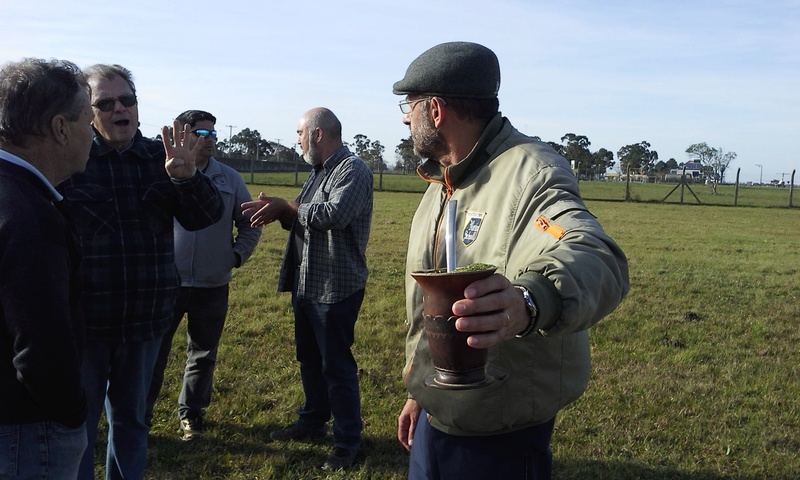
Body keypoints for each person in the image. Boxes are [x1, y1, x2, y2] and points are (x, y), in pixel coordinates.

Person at [393, 42, 630, 480]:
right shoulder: (441, 184)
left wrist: (529, 301)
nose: (405, 118)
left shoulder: (532, 173)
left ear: (437, 110)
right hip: (436, 418)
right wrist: (420, 392)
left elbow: (593, 252)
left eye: (409, 106)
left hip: (498, 438)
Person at [58, 64, 224, 480]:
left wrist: (186, 179)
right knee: (79, 427)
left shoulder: (160, 157)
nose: (120, 110)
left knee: (132, 422)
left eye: (127, 100)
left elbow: (205, 216)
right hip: (86, 326)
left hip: (146, 321)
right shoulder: (72, 161)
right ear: (88, 112)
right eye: (106, 103)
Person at [241, 107, 373, 470]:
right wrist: (278, 211)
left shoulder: (353, 169)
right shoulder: (318, 172)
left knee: (336, 366)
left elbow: (333, 215)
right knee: (310, 359)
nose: (296, 139)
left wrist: (287, 205)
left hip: (335, 286)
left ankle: (347, 441)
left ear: (317, 134)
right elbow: (303, 219)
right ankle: (313, 420)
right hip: (307, 282)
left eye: (300, 132)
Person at [0, 57, 92, 480]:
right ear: (61, 128)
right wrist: (70, 415)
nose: (93, 132)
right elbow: (40, 343)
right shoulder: (29, 214)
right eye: (88, 120)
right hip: (27, 431)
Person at [145, 109, 262, 440]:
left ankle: (191, 414)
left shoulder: (229, 179)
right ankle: (140, 415)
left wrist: (236, 256)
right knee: (153, 353)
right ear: (183, 135)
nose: (211, 140)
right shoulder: (162, 173)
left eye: (214, 134)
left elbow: (249, 223)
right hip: (167, 282)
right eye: (203, 133)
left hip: (212, 283)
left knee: (203, 353)